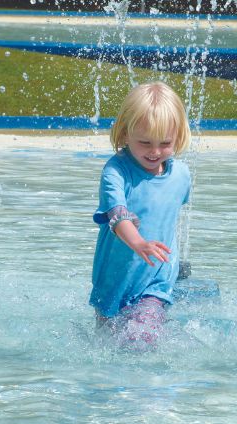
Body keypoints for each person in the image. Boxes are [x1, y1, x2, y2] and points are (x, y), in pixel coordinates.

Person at [90, 81, 191, 347]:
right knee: (107, 348)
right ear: (124, 134)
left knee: (142, 336)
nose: (155, 151)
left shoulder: (181, 175)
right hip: (114, 279)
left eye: (165, 143)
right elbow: (118, 217)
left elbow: (167, 218)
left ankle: (152, 388)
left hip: (156, 283)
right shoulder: (116, 172)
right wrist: (139, 243)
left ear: (179, 137)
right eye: (145, 142)